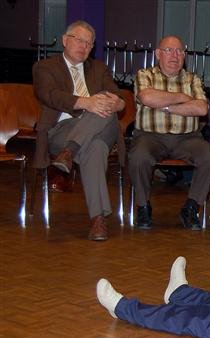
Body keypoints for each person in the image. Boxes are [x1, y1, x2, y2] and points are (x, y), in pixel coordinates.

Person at [33, 20, 125, 241]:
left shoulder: (99, 69)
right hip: (61, 130)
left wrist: (117, 104)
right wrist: (87, 103)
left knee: (105, 105)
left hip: (101, 127)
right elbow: (50, 95)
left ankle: (69, 152)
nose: (84, 46)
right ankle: (98, 220)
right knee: (95, 148)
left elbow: (118, 97)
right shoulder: (45, 67)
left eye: (89, 43)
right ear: (65, 40)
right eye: (79, 40)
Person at [128, 36, 210, 231]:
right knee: (138, 156)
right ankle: (143, 207)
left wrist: (164, 106)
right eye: (169, 50)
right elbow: (147, 97)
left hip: (187, 138)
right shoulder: (145, 75)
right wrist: (182, 98)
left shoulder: (192, 79)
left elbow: (201, 108)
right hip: (149, 136)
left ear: (184, 56)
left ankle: (191, 207)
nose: (175, 55)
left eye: (179, 51)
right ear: (158, 54)